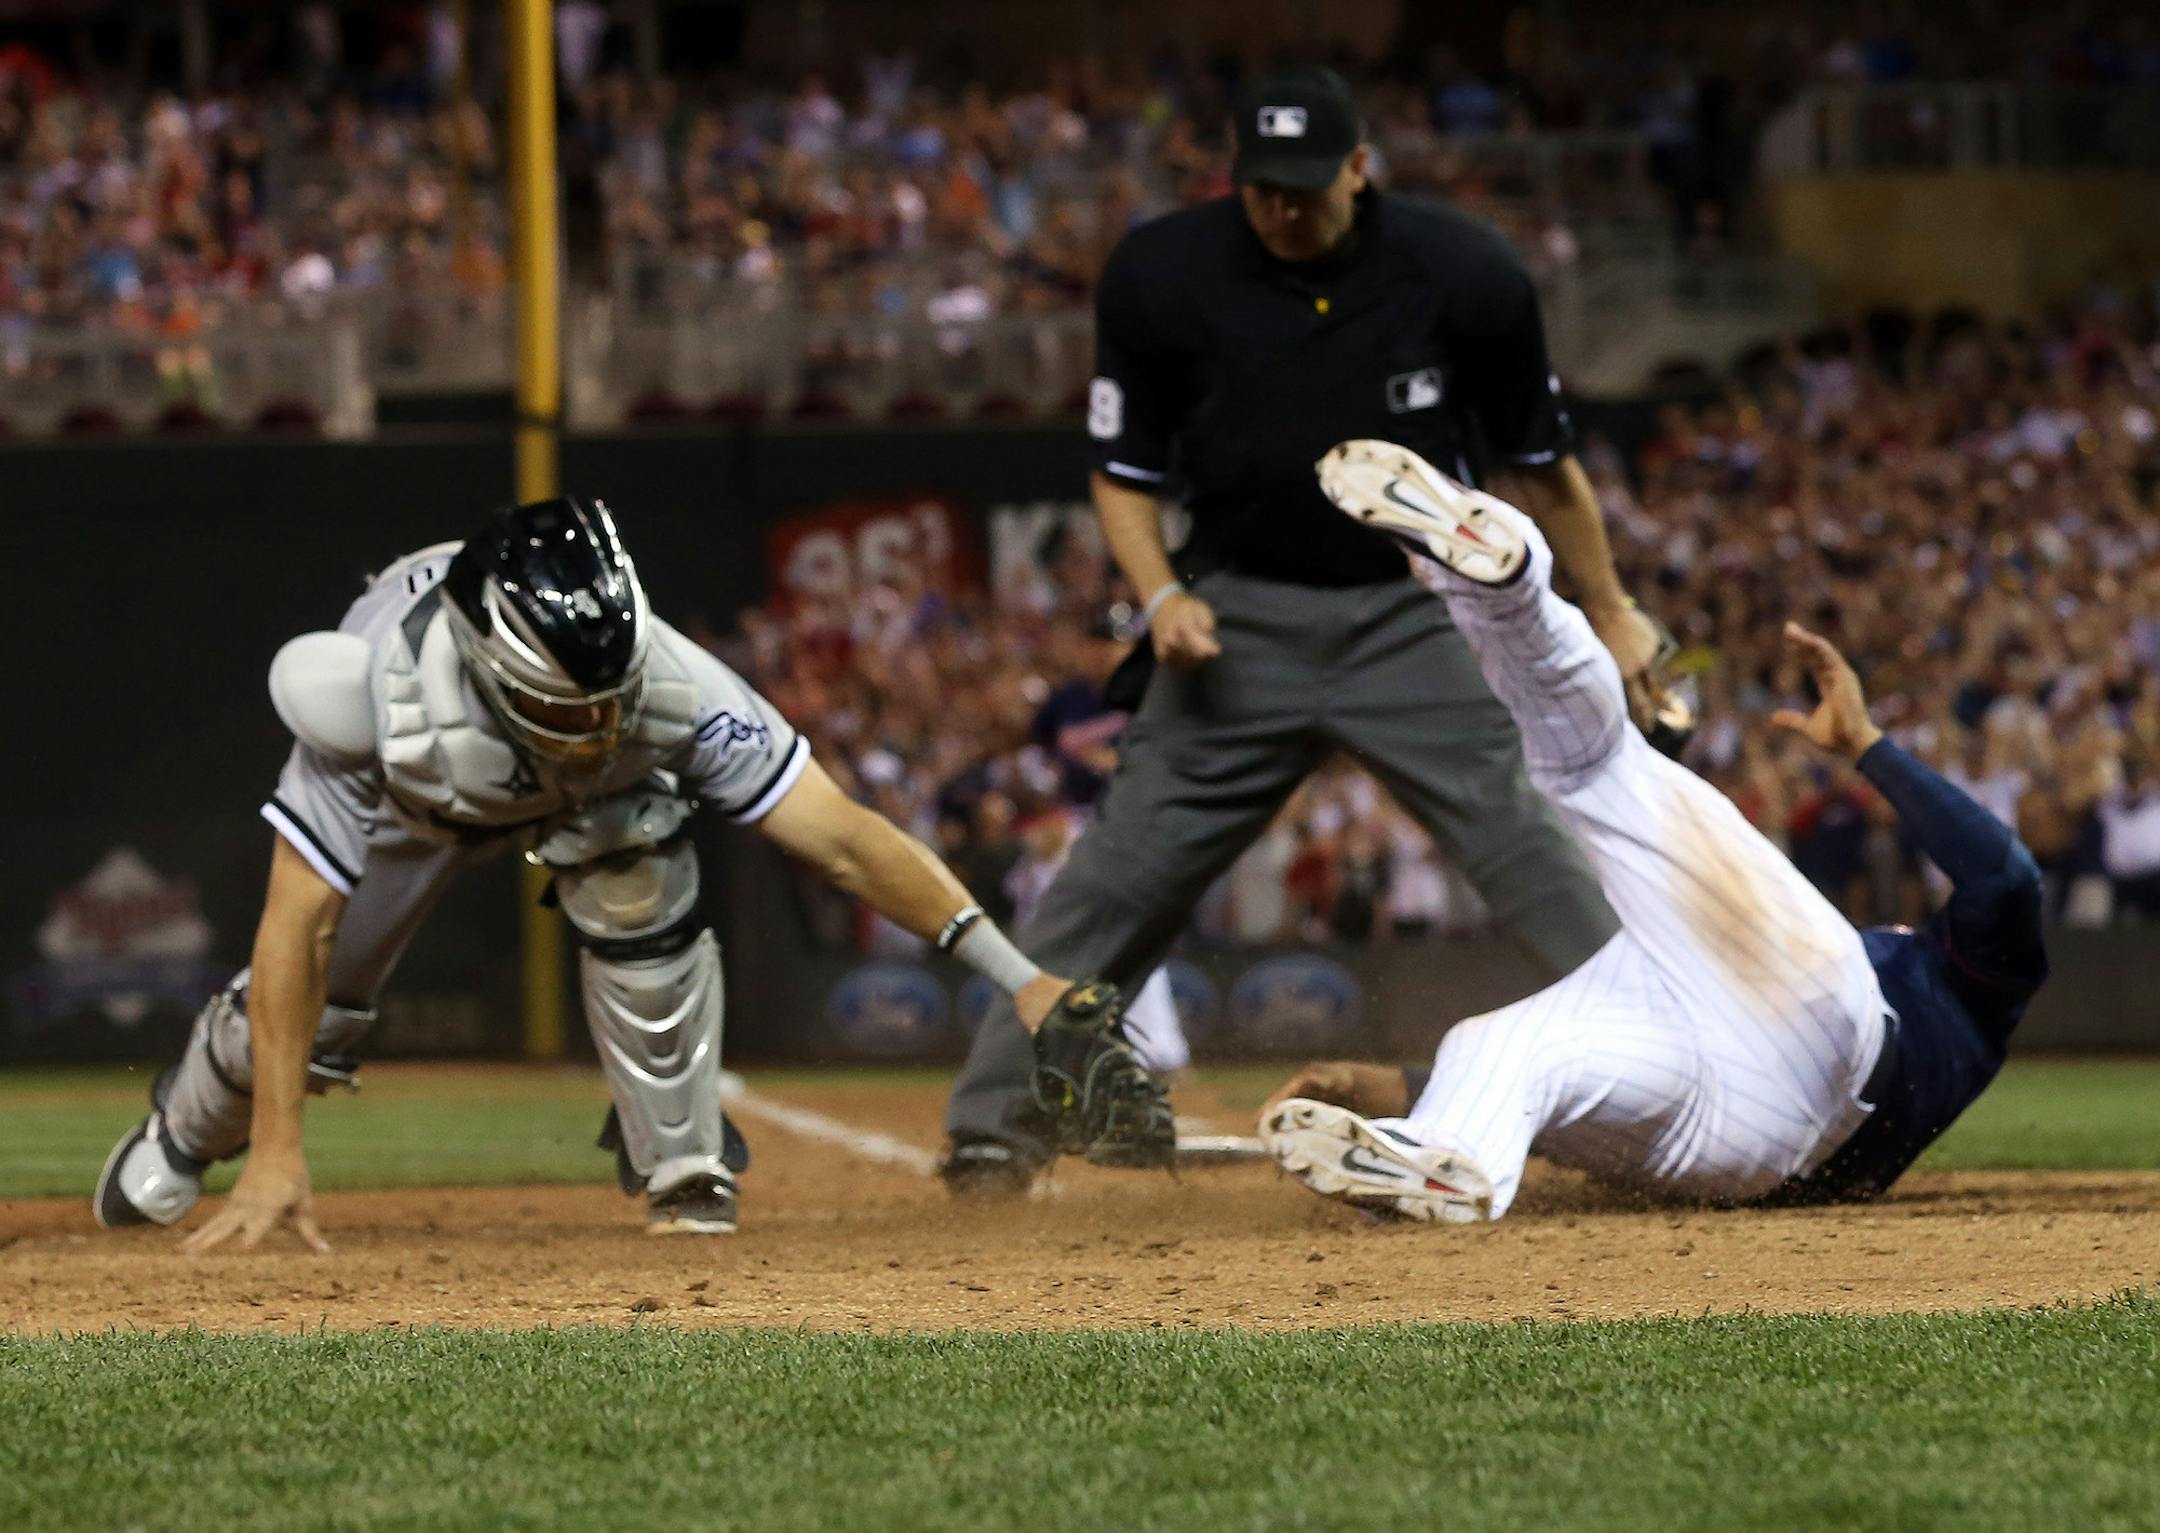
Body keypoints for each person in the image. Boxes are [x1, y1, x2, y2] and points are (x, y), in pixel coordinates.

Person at [940, 64, 1664, 1192]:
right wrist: (1164, 596)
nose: (1282, 208)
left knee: (1530, 849)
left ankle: (1680, 1075)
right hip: (1239, 617)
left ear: (1360, 169)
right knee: (1121, 876)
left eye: (1305, 187)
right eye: (1262, 187)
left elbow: (1542, 465)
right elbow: (1121, 476)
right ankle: (996, 1125)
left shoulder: (1462, 271)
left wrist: (1612, 606)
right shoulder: (1163, 273)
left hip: (1419, 613)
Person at [93, 496, 1158, 1249]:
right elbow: (296, 933)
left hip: (574, 807)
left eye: (613, 699)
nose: (604, 725)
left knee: (633, 864)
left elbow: (843, 835)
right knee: (298, 1021)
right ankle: (181, 1136)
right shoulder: (371, 700)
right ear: (491, 665)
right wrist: (277, 1149)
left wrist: (1021, 977)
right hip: (415, 815)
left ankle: (682, 1162)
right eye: (575, 709)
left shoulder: (665, 678)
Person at [1261, 441, 2048, 1220]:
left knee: (1594, 771)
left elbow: (2005, 875)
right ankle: (1442, 1153)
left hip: (1805, 1056)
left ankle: (1504, 589)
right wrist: (1381, 1084)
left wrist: (1868, 749)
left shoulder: (1974, 996)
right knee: (1503, 1052)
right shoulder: (1902, 1006)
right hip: (1739, 1142)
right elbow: (1593, 1107)